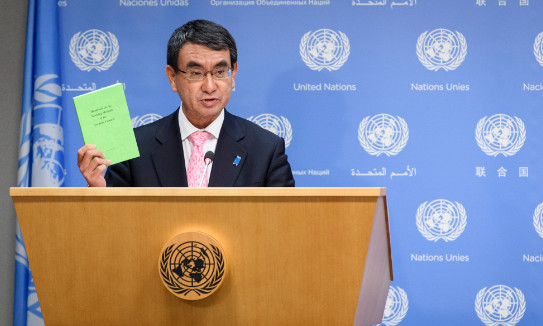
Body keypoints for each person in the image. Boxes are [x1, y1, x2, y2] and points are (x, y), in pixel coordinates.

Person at [77, 20, 294, 187]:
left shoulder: (265, 149)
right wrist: (98, 188)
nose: (210, 86)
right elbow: (117, 228)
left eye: (220, 72)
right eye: (196, 73)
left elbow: (283, 226)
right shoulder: (136, 148)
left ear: (233, 73)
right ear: (172, 77)